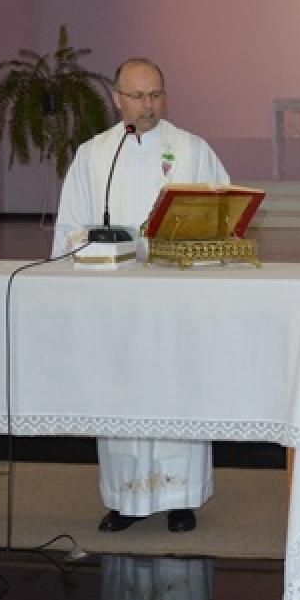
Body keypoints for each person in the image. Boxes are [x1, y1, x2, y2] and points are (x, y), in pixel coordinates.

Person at [53, 57, 230, 533]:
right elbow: (70, 226)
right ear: (116, 98)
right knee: (121, 394)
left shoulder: (192, 149)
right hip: (116, 304)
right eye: (137, 96)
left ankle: (182, 497)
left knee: (177, 390)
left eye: (156, 95)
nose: (148, 106)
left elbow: (223, 215)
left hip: (176, 300)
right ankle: (124, 499)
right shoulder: (95, 155)